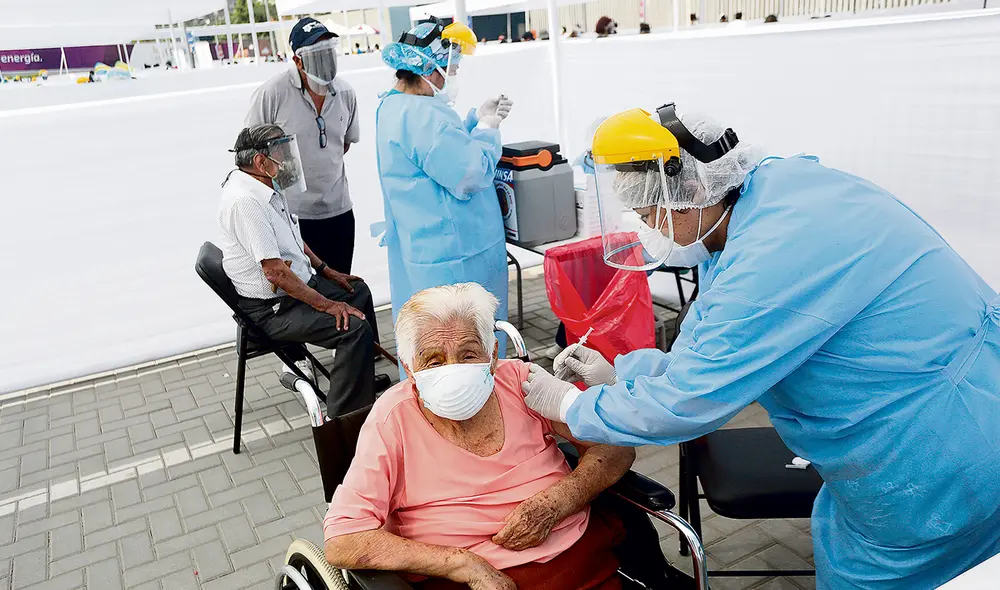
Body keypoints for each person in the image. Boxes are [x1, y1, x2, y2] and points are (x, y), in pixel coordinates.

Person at [521, 105, 1000, 588]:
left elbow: (690, 399)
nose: (650, 232)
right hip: (957, 405)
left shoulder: (772, 255)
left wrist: (572, 402)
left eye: (649, 215)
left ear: (689, 192)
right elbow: (708, 353)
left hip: (934, 455)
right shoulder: (765, 199)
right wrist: (622, 373)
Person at [323, 283, 635, 589]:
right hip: (462, 581)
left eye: (469, 354)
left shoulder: (523, 384)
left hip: (578, 562)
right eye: (433, 360)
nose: (453, 371)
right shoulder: (393, 417)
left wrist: (561, 501)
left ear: (493, 354)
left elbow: (616, 448)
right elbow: (343, 539)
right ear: (409, 366)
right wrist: (462, 564)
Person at [374, 20, 514, 374]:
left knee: (430, 345)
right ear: (428, 68)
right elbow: (468, 173)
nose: (451, 75)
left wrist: (470, 123)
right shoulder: (425, 116)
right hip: (456, 254)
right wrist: (487, 129)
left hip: (422, 250)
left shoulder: (393, 106)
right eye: (450, 67)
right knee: (465, 344)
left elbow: (435, 157)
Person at [219, 124, 380, 416]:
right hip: (272, 309)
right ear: (260, 161)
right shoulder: (246, 202)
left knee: (357, 292)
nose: (289, 160)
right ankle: (345, 417)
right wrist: (328, 305)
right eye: (283, 153)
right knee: (353, 330)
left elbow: (292, 238)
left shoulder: (264, 185)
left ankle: (359, 383)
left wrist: (326, 270)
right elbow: (275, 273)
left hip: (291, 292)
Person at [246, 17, 361, 275]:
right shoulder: (273, 93)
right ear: (297, 60)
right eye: (316, 55)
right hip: (293, 217)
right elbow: (250, 153)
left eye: (329, 52)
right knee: (307, 296)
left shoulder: (345, 94)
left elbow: (342, 145)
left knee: (342, 287)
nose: (325, 61)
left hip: (338, 211)